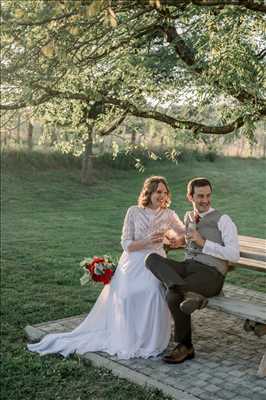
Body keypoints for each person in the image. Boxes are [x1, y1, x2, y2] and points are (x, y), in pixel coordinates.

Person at [27, 176, 185, 359]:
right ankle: (129, 335)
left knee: (152, 292)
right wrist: (147, 241)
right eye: (158, 192)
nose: (162, 196)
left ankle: (151, 340)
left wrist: (174, 239)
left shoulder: (169, 214)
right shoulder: (133, 211)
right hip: (133, 261)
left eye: (165, 192)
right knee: (128, 293)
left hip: (157, 262)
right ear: (148, 193)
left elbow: (182, 234)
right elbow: (126, 244)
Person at [145, 177, 240, 364]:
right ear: (190, 197)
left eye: (208, 195)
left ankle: (185, 346)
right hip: (188, 267)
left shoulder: (223, 220)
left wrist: (203, 243)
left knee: (173, 295)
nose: (205, 200)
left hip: (211, 274)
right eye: (200, 196)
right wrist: (178, 241)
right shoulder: (188, 216)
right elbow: (188, 242)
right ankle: (189, 293)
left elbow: (234, 255)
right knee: (151, 259)